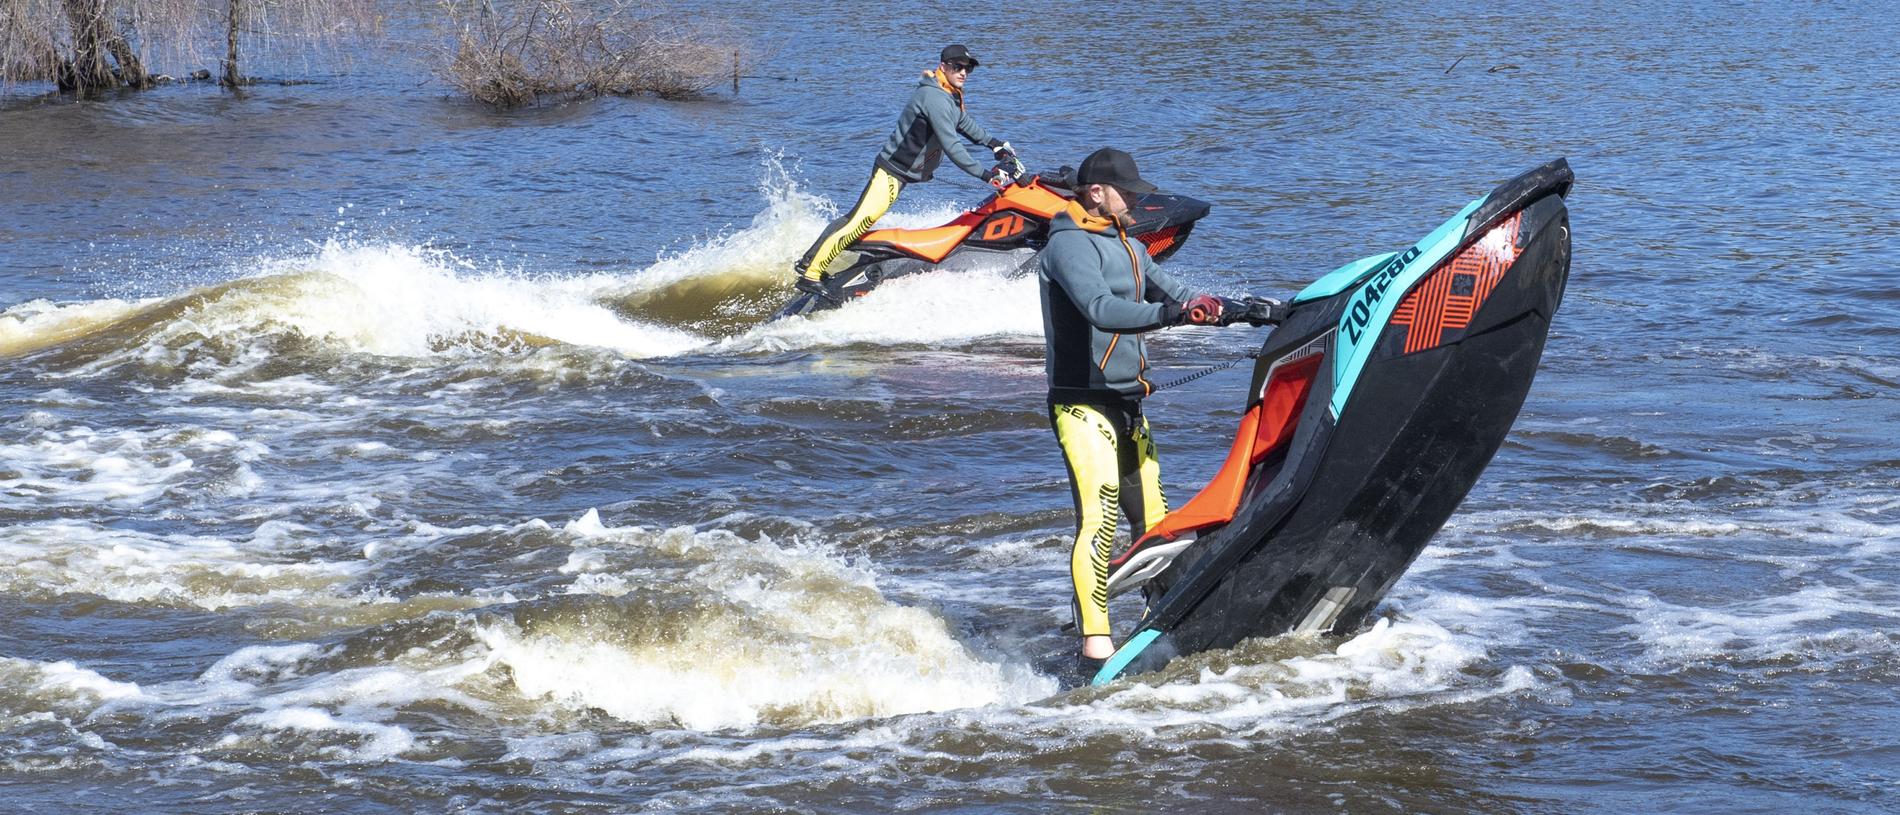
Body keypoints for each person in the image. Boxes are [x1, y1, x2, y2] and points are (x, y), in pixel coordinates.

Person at [1038, 147, 1248, 673]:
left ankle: (1161, 619)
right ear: (1096, 193)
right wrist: (1174, 313)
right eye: (1128, 192)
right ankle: (1095, 646)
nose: (1137, 200)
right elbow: (1101, 311)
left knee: (1156, 523)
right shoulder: (1069, 247)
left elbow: (1176, 290)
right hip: (1082, 405)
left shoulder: (1129, 245)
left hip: (1130, 403)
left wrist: (1240, 311)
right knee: (1101, 518)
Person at [791, 44, 1017, 302]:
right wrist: (986, 175)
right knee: (859, 222)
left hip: (898, 172)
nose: (963, 72)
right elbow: (952, 145)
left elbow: (963, 123)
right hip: (891, 172)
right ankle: (810, 274)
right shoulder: (935, 97)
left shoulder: (945, 93)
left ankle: (809, 262)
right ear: (943, 66)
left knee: (854, 218)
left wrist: (994, 144)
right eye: (958, 67)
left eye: (968, 68)